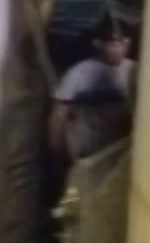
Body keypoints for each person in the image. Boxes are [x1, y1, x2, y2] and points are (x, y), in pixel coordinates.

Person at [49, 18, 136, 164]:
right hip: (85, 149)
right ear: (98, 43)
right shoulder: (78, 73)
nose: (121, 50)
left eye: (125, 44)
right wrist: (55, 150)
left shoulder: (134, 71)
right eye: (115, 44)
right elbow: (59, 114)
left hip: (119, 147)